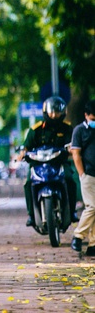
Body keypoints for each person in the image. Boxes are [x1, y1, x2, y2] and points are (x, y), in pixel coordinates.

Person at [18, 96, 76, 226]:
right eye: (52, 112)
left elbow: (73, 144)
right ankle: (31, 215)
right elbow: (26, 146)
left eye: (57, 112)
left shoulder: (67, 128)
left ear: (63, 112)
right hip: (38, 164)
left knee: (69, 179)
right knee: (28, 183)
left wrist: (72, 151)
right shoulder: (36, 129)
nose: (54, 115)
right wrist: (22, 154)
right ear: (46, 112)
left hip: (59, 163)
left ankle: (72, 212)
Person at [70, 99, 95, 256]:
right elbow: (76, 154)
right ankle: (78, 236)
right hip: (88, 174)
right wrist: (82, 174)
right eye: (93, 119)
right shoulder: (79, 131)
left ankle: (93, 244)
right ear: (86, 115)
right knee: (92, 207)